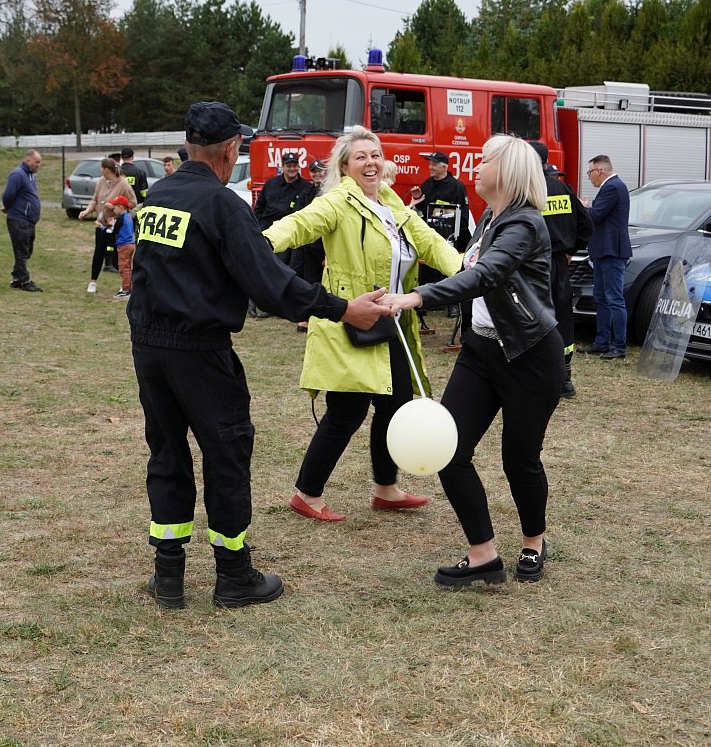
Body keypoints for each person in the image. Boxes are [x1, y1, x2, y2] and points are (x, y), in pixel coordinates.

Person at [127, 102, 391, 610]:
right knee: (226, 453)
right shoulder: (223, 204)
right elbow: (271, 284)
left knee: (166, 452)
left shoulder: (158, 196)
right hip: (200, 352)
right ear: (230, 150)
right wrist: (342, 310)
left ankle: (168, 576)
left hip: (149, 346)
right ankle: (233, 576)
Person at [381, 134, 564, 587]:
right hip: (481, 351)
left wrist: (416, 297)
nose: (475, 166)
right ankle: (482, 553)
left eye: (484, 161)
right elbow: (466, 265)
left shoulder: (524, 224)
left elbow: (482, 276)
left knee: (519, 459)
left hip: (529, 356)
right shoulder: (490, 216)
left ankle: (533, 541)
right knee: (450, 450)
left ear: (508, 172)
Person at [262, 126, 463, 524]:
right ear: (345, 166)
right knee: (345, 415)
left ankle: (386, 488)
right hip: (350, 324)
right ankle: (307, 493)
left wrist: (475, 272)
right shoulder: (337, 202)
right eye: (361, 157)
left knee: (396, 406)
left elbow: (433, 246)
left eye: (375, 155)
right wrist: (258, 245)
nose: (371, 162)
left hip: (395, 328)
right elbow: (299, 225)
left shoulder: (394, 206)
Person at [529, 141, 592, 397]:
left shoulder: (527, 190)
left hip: (533, 267)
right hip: (559, 266)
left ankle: (536, 375)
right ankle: (565, 378)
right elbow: (586, 226)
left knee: (532, 317)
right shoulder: (563, 189)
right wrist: (570, 251)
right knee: (562, 319)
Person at [254, 152, 320, 329]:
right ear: (282, 166)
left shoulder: (305, 187)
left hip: (290, 237)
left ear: (298, 166)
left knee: (287, 271)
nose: (291, 168)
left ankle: (280, 305)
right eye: (288, 165)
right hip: (268, 232)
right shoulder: (271, 184)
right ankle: (263, 303)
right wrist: (259, 229)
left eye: (294, 165)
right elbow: (259, 208)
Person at [409, 150, 471, 329]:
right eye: (430, 164)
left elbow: (464, 214)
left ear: (444, 167)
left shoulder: (457, 186)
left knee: (450, 269)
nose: (431, 167)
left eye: (434, 164)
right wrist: (417, 197)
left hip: (450, 236)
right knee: (427, 268)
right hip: (430, 235)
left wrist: (458, 235)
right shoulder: (427, 184)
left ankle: (453, 305)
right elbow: (423, 208)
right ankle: (427, 301)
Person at [580, 154, 632, 359]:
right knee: (601, 297)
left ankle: (619, 345)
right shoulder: (612, 187)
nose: (589, 177)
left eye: (590, 172)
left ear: (600, 170)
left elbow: (596, 215)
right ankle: (602, 342)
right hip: (603, 250)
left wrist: (584, 207)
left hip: (612, 251)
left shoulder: (612, 187)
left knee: (614, 298)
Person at [79, 157, 137, 292]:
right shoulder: (101, 181)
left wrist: (117, 206)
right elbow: (95, 200)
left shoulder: (123, 184)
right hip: (101, 224)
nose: (100, 170)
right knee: (99, 251)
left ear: (106, 169)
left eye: (101, 168)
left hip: (116, 225)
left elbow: (132, 202)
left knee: (120, 255)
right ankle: (93, 282)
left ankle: (125, 285)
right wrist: (86, 211)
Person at [2, 149, 43, 292]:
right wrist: (9, 208)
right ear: (28, 160)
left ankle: (16, 278)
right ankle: (25, 281)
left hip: (29, 221)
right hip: (19, 219)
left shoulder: (30, 175)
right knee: (21, 251)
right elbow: (8, 195)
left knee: (26, 250)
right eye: (37, 162)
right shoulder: (18, 174)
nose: (39, 165)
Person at [107, 195, 136, 299]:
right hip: (130, 244)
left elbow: (114, 231)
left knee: (124, 268)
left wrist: (104, 226)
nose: (113, 210)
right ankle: (130, 288)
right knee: (128, 267)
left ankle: (125, 290)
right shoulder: (129, 216)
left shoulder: (121, 218)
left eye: (114, 207)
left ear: (121, 207)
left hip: (123, 245)